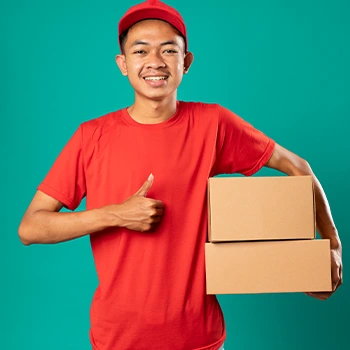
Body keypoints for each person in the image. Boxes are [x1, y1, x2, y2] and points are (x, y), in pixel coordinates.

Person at [18, 1, 343, 349]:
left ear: (185, 62)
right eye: (140, 50)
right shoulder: (91, 136)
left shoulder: (212, 124)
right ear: (123, 64)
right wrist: (115, 214)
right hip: (118, 338)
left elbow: (299, 167)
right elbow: (31, 228)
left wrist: (333, 247)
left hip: (198, 337)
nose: (155, 62)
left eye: (168, 50)